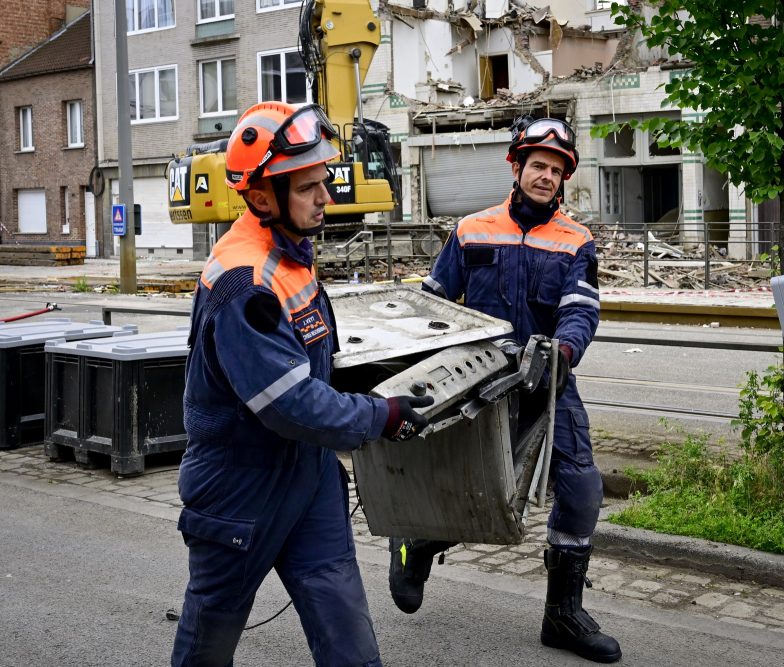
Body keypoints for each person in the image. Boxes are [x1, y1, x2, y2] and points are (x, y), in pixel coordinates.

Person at [172, 101, 433, 667]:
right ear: (262, 196)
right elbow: (288, 402)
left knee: (347, 635)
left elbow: (310, 361)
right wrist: (379, 415)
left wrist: (383, 376)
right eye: (310, 187)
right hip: (240, 483)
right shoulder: (246, 282)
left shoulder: (289, 254)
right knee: (209, 639)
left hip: (308, 473)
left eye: (324, 181)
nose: (326, 198)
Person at [392, 116, 621, 663]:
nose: (546, 177)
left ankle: (562, 616)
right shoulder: (472, 230)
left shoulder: (576, 241)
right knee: (476, 490)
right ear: (516, 168)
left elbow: (580, 311)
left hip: (547, 382)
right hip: (480, 381)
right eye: (538, 166)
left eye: (557, 170)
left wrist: (562, 353)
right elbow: (434, 303)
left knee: (582, 486)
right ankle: (418, 544)